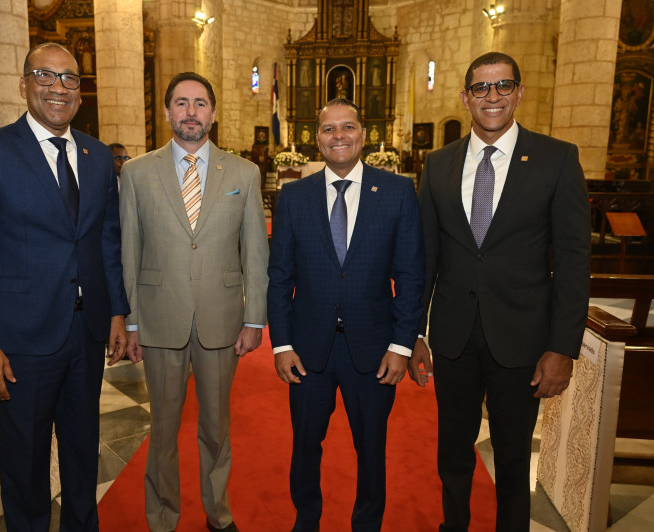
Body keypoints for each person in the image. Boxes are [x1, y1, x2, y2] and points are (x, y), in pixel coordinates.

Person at [0, 42, 129, 532]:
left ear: (80, 91)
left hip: (86, 332)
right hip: (20, 339)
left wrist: (116, 311)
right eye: (45, 76)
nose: (58, 87)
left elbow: (105, 241)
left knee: (81, 448)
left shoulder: (95, 154)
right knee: (26, 459)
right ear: (24, 84)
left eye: (69, 78)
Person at [410, 52, 591, 531]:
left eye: (503, 85)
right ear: (466, 96)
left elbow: (573, 262)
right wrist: (413, 333)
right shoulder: (439, 163)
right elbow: (425, 259)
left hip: (523, 338)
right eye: (481, 88)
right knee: (453, 455)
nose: (492, 97)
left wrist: (562, 348)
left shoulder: (557, 159)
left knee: (512, 460)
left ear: (519, 92)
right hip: (453, 338)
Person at [120, 71, 269, 532]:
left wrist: (255, 319)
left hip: (221, 321)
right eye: (181, 103)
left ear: (213, 113)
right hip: (160, 319)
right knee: (162, 430)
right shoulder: (136, 172)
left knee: (216, 428)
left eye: (200, 103)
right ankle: (162, 517)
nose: (190, 112)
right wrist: (131, 323)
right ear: (167, 112)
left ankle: (218, 513)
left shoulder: (243, 172)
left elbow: (255, 253)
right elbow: (130, 250)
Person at [268, 98, 425, 532]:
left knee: (371, 448)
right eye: (329, 129)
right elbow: (279, 277)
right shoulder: (294, 196)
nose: (339, 136)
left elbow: (411, 275)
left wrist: (401, 345)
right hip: (307, 350)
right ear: (316, 138)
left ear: (364, 134)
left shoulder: (396, 192)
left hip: (374, 351)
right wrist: (281, 344)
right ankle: (307, 521)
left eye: (348, 127)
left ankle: (367, 524)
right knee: (304, 447)